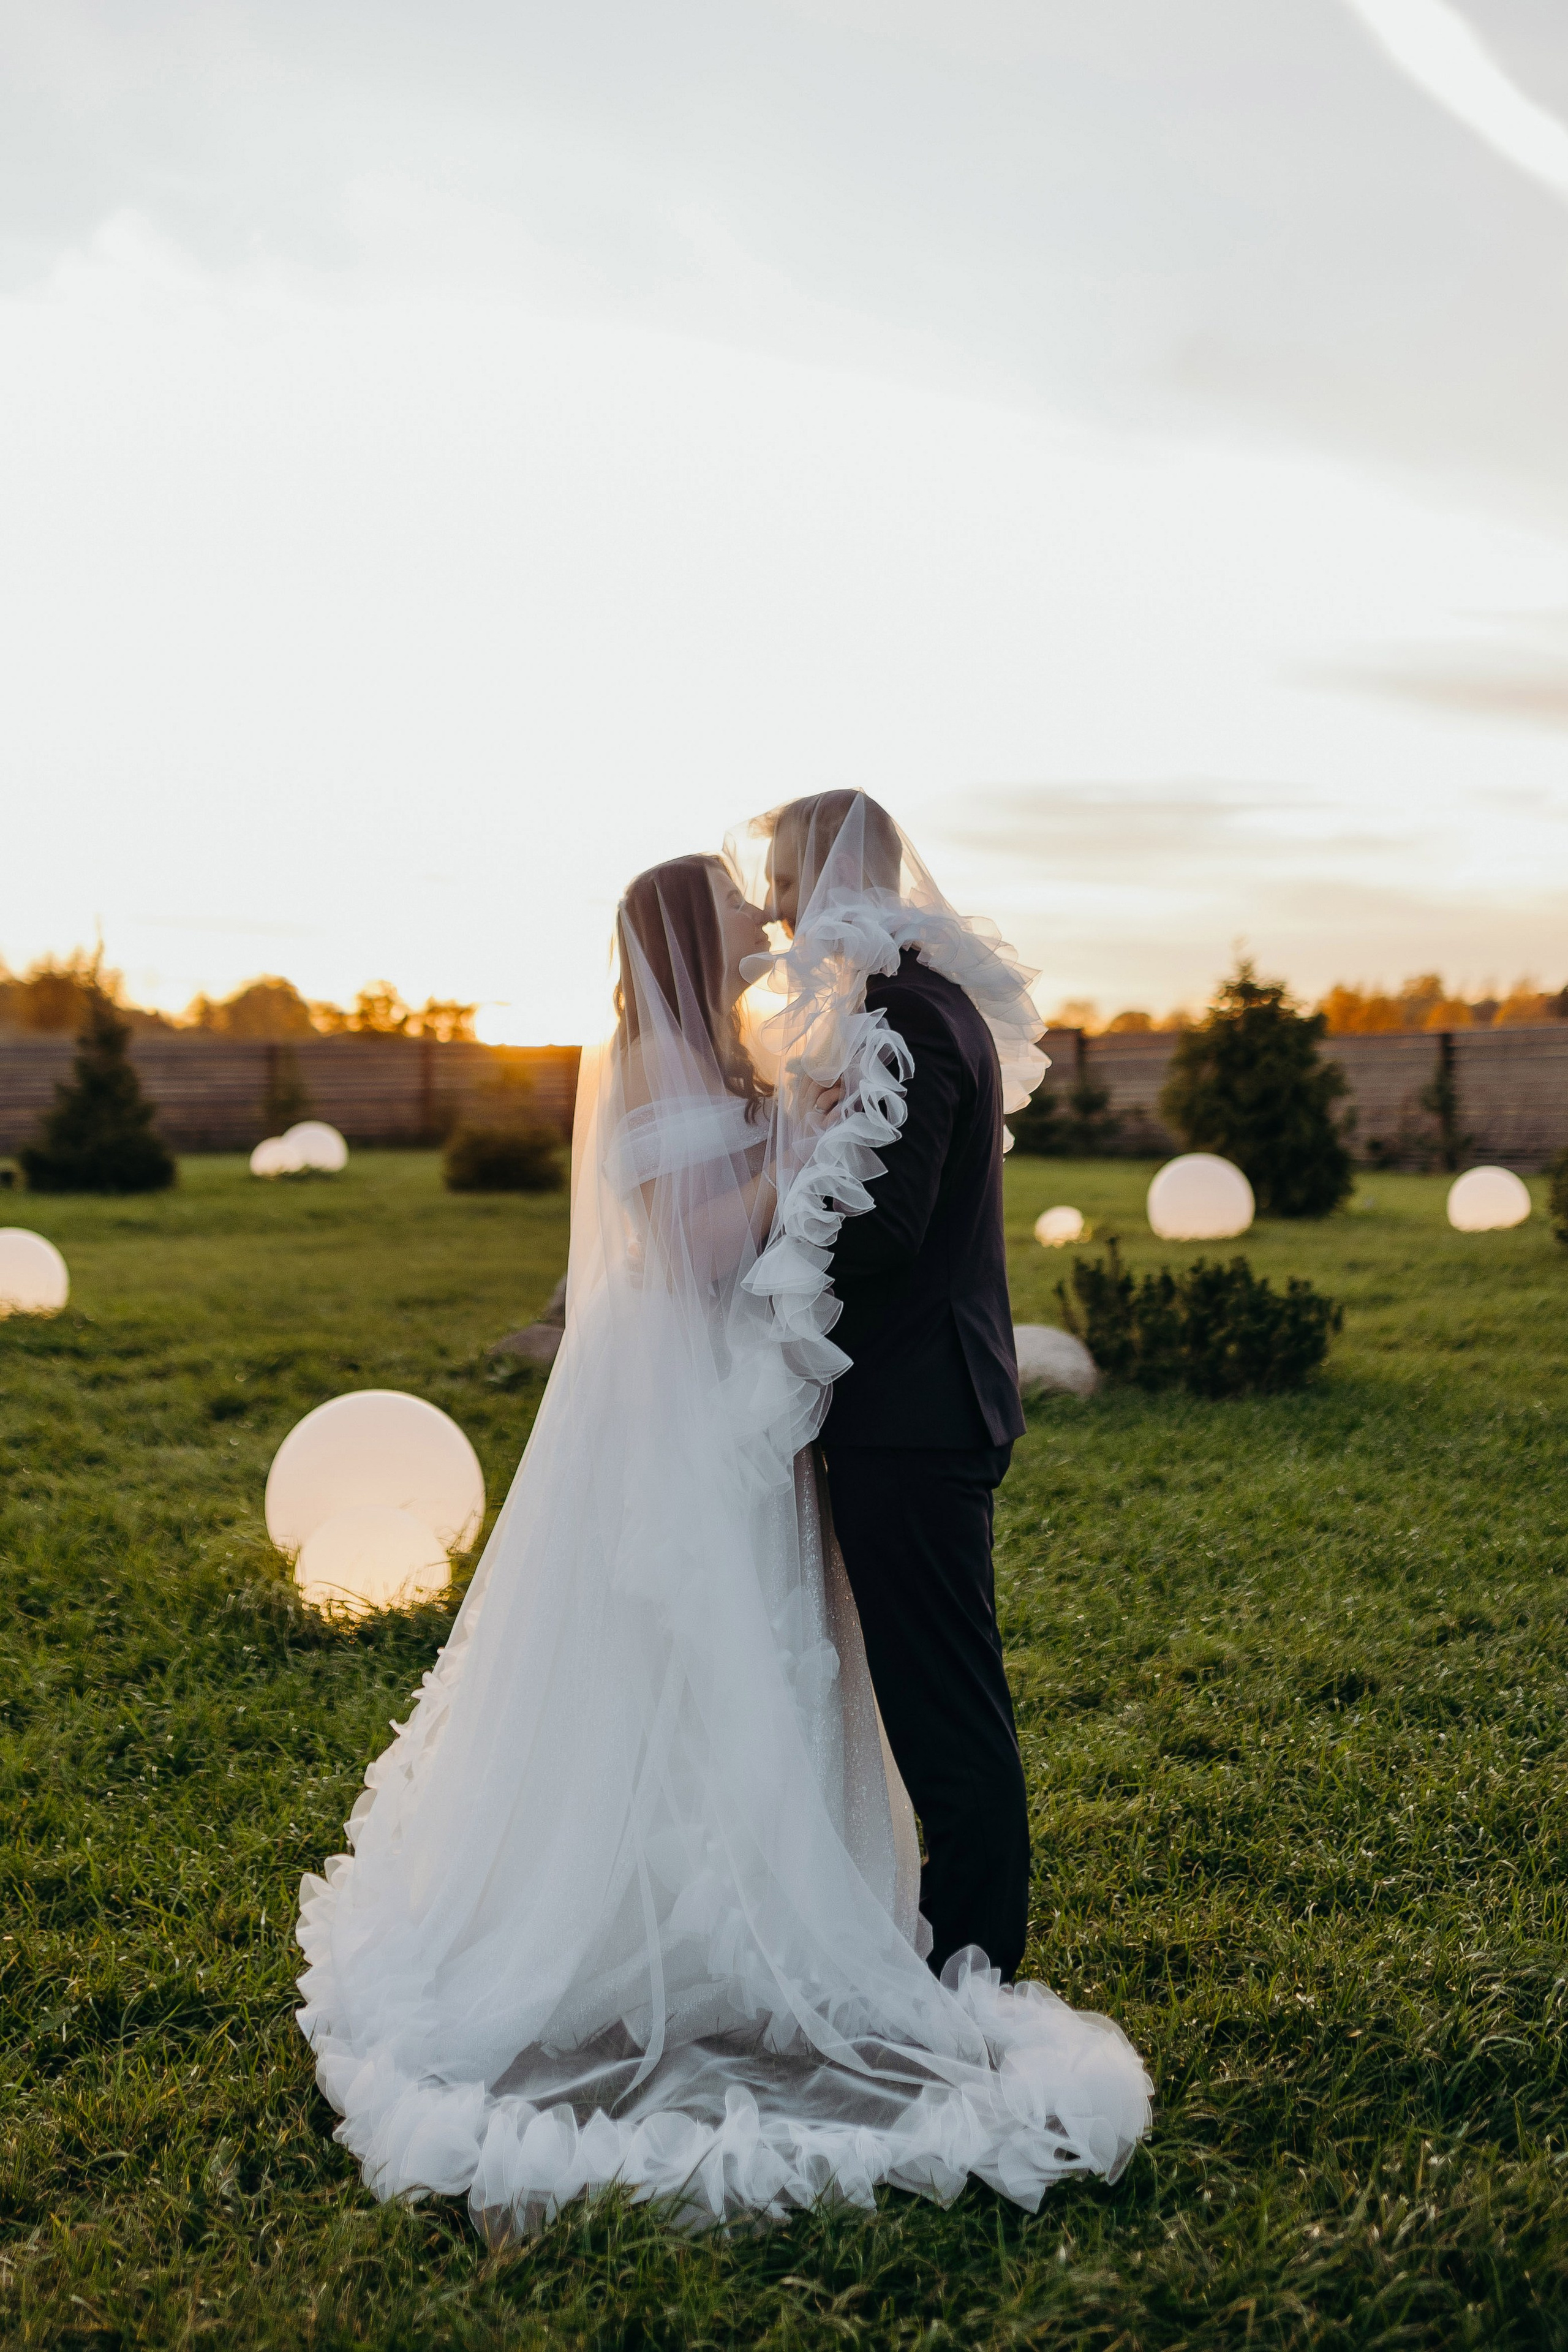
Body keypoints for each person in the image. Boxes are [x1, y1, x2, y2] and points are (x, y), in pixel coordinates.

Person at [295, 839, 1149, 2242]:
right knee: (684, 1654)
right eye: (738, 912)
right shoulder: (646, 1066)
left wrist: (800, 1132)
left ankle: (780, 1904)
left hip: (755, 1417)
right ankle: (667, 1923)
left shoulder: (744, 1055)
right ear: (688, 936)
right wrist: (795, 1162)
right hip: (683, 1417)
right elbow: (691, 1247)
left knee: (773, 1654)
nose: (765, 924)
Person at [757, 791, 1031, 1983]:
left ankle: (974, 1970)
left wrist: (776, 1203)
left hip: (914, 1416)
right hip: (927, 1404)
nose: (775, 909)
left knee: (944, 1713)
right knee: (939, 1699)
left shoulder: (903, 1015)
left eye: (785, 880)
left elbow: (882, 1227)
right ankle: (958, 1947)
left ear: (833, 877)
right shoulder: (926, 998)